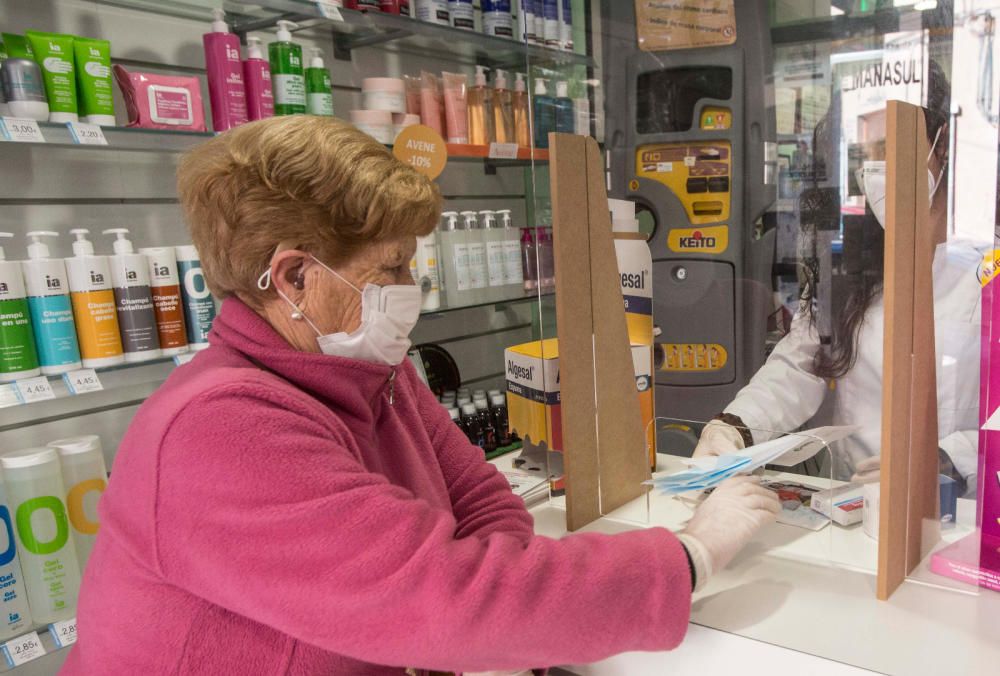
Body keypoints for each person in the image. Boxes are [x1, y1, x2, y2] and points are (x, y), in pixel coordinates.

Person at [64, 116, 780, 675]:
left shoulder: (373, 373)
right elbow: (441, 593)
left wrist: (480, 615)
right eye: (392, 267)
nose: (412, 290)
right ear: (292, 279)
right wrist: (687, 558)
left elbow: (479, 505)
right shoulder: (217, 431)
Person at [694, 65, 983, 497]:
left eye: (891, 148)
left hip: (961, 513)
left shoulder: (985, 267)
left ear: (943, 145)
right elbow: (799, 364)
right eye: (865, 155)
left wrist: (944, 459)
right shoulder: (853, 267)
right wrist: (734, 427)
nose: (876, 170)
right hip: (856, 508)